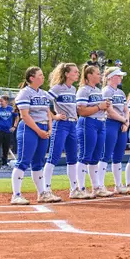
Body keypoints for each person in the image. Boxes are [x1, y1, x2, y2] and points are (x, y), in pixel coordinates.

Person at [11, 67, 53, 205]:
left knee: (38, 162)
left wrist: (49, 129)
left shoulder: (44, 93)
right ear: (31, 78)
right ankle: (16, 195)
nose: (43, 77)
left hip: (43, 127)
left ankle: (42, 194)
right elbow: (24, 115)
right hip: (29, 127)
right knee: (23, 161)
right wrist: (38, 131)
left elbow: (48, 113)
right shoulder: (25, 93)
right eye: (40, 75)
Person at [44, 63, 86, 200]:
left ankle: (74, 189)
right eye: (74, 72)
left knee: (73, 158)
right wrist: (54, 116)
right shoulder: (57, 88)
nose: (77, 74)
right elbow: (44, 102)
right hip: (61, 125)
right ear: (67, 74)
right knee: (53, 157)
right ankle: (46, 190)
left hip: (73, 124)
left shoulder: (73, 89)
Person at [76, 64, 113, 198]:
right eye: (97, 73)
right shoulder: (83, 90)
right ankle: (80, 188)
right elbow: (81, 111)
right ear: (90, 75)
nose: (100, 75)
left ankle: (96, 187)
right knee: (85, 156)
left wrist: (104, 106)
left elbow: (99, 107)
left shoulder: (98, 90)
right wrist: (99, 106)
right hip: (88, 123)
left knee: (96, 157)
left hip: (100, 123)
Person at [99, 67, 130, 194]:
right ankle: (100, 185)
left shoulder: (120, 93)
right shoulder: (106, 91)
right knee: (106, 154)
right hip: (110, 123)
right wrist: (124, 120)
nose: (121, 78)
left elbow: (126, 108)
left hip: (122, 124)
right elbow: (109, 111)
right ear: (111, 77)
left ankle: (118, 185)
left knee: (118, 156)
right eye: (118, 76)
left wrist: (126, 121)